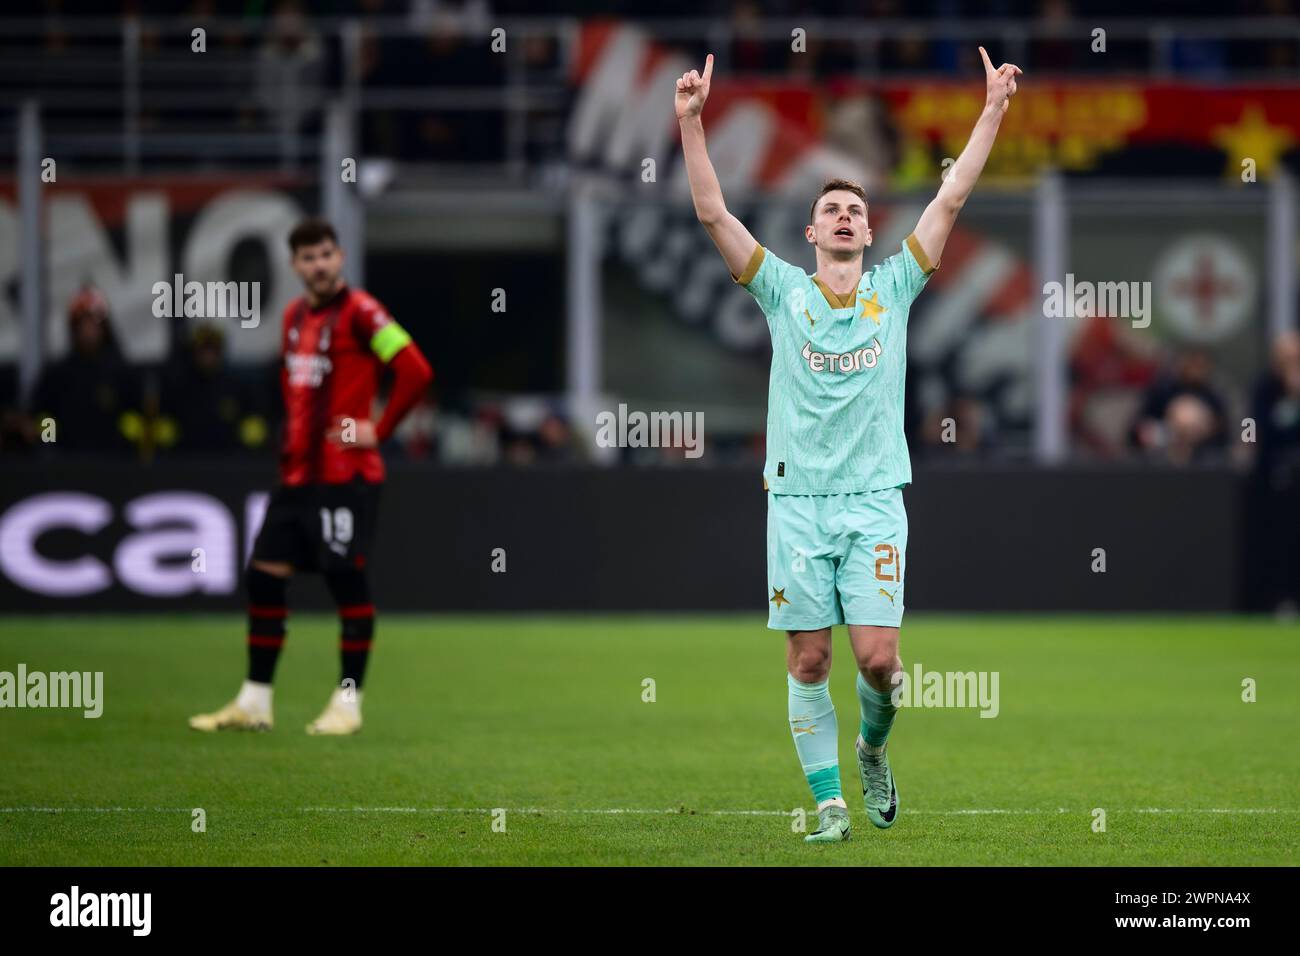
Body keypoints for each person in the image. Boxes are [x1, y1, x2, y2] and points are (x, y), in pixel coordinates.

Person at [677, 47, 1019, 842]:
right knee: (808, 664)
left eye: (855, 211)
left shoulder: (895, 287)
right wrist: (692, 123)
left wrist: (994, 107)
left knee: (877, 663)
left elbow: (954, 194)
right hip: (796, 501)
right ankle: (830, 804)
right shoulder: (781, 290)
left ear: (869, 231)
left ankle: (872, 748)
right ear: (810, 229)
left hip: (872, 501)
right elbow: (712, 215)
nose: (843, 216)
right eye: (830, 208)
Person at [190, 218, 432, 736]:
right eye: (307, 257)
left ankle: (348, 705)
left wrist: (379, 428)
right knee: (263, 575)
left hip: (346, 476)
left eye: (325, 254)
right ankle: (255, 702)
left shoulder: (364, 313)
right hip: (298, 478)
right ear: (295, 265)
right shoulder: (294, 317)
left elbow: (415, 368)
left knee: (347, 585)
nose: (318, 265)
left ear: (339, 257)